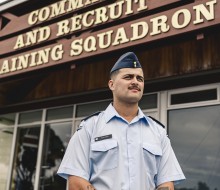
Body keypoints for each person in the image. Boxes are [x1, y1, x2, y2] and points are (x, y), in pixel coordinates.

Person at [57, 52, 185, 190]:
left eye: (140, 78)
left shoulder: (158, 132)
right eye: (128, 77)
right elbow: (76, 181)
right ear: (111, 84)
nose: (135, 82)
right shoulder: (89, 128)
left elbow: (166, 183)